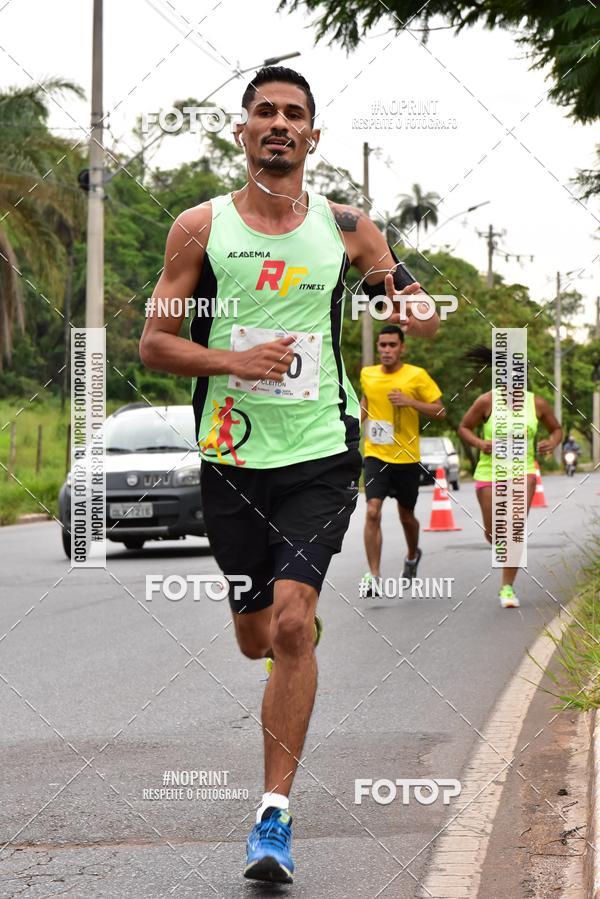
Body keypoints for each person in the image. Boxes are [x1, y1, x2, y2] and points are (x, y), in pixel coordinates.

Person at [139, 66, 439, 884]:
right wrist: (232, 358)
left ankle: (273, 818)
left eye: (294, 115)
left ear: (313, 136)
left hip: (320, 449)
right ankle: (276, 632)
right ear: (242, 132)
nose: (279, 124)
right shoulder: (198, 228)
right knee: (254, 636)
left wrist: (410, 303)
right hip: (231, 457)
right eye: (264, 112)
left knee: (294, 626)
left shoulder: (347, 227)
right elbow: (154, 345)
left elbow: (403, 294)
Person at [458, 347, 562, 608]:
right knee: (495, 534)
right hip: (489, 472)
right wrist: (480, 443)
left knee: (515, 526)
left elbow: (557, 429)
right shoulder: (486, 401)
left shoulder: (536, 403)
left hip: (522, 471)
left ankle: (507, 587)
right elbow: (464, 427)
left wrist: (551, 442)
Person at [360, 325, 445, 595]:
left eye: (392, 345)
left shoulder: (416, 375)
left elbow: (440, 410)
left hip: (406, 457)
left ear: (402, 347)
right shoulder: (367, 374)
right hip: (376, 454)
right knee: (372, 511)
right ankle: (374, 575)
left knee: (407, 517)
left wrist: (410, 401)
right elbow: (366, 403)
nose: (386, 350)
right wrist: (350, 428)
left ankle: (411, 555)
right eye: (382, 345)